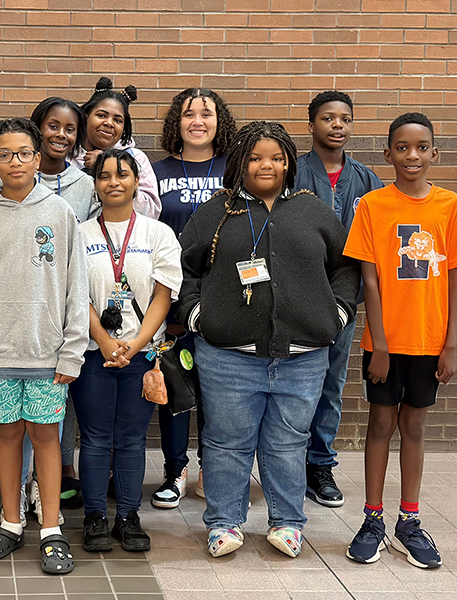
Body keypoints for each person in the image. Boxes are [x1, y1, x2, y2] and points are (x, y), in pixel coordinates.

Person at [177, 121, 359, 559]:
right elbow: (183, 268)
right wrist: (198, 316)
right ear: (240, 162)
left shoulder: (312, 210)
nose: (267, 165)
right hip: (228, 357)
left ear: (288, 163)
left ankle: (287, 522)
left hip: (303, 357)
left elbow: (346, 267)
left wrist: (337, 314)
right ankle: (224, 522)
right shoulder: (216, 212)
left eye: (276, 158)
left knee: (289, 443)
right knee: (226, 442)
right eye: (256, 157)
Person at [0, 118, 88, 575]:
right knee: (6, 436)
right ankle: (11, 521)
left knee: (46, 437)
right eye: (5, 154)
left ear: (37, 157)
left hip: (47, 354)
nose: (16, 162)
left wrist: (71, 350)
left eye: (24, 153)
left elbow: (76, 288)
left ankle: (50, 529)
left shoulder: (59, 213)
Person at [344, 113, 456, 569]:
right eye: (403, 147)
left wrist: (451, 345)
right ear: (387, 153)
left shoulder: (449, 205)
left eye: (422, 147)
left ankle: (409, 522)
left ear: (435, 153)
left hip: (431, 340)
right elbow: (369, 280)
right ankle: (372, 519)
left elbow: (453, 279)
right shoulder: (372, 205)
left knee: (415, 427)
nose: (412, 155)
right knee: (379, 425)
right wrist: (381, 344)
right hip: (385, 344)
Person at [72, 148, 181, 553]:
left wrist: (134, 346)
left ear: (137, 183)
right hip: (92, 353)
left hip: (142, 354)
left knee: (133, 438)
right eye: (105, 175)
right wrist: (104, 340)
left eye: (122, 174)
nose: (113, 182)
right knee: (96, 437)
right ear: (95, 184)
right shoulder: (79, 234)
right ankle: (95, 517)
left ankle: (128, 517)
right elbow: (75, 296)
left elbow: (162, 297)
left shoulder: (158, 234)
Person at [295, 91, 384, 508]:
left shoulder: (366, 181)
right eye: (328, 118)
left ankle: (319, 465)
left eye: (345, 119)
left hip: (343, 298)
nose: (337, 125)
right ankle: (287, 462)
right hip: (295, 295)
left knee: (331, 383)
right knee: (294, 383)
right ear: (311, 124)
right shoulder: (293, 172)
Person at [150, 88, 236, 508]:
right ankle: (175, 470)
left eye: (206, 113)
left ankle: (212, 469)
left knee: (220, 391)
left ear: (220, 121)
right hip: (171, 296)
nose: (197, 121)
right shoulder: (156, 172)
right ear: (176, 122)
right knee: (175, 383)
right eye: (188, 114)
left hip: (225, 296)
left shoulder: (234, 169)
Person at [25, 97, 97, 514]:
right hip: (24, 302)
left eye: (70, 129)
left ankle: (61, 470)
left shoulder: (85, 185)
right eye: (53, 126)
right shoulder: (16, 177)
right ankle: (27, 479)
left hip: (67, 299)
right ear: (38, 128)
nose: (61, 135)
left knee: (61, 388)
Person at [72, 77, 160, 219]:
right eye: (101, 115)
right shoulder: (68, 155)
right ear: (86, 116)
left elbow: (152, 210)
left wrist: (105, 165)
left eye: (118, 120)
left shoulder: (136, 158)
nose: (109, 123)